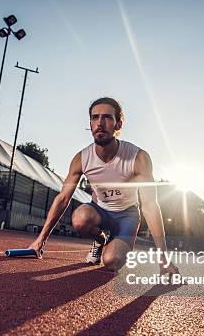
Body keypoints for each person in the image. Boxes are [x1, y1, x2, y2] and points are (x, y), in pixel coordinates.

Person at [28, 97, 177, 274]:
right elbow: (62, 199)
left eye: (106, 117)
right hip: (99, 212)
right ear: (90, 123)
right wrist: (40, 240)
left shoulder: (138, 158)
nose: (100, 123)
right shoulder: (82, 159)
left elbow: (150, 206)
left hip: (127, 216)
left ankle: (115, 245)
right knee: (80, 218)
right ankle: (100, 240)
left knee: (111, 261)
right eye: (95, 117)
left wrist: (163, 259)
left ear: (118, 125)